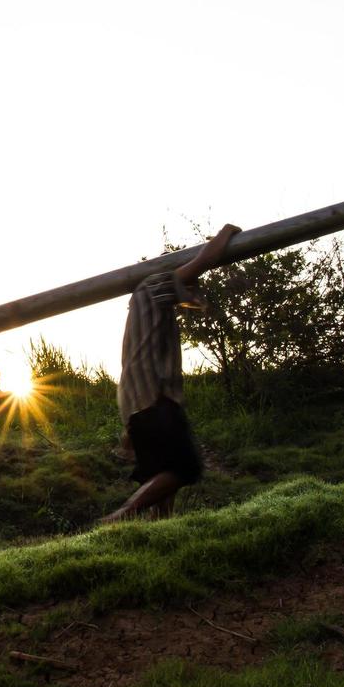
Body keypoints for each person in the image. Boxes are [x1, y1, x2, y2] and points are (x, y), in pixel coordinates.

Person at [99, 223, 242, 524]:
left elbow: (196, 301)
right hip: (154, 395)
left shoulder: (145, 299)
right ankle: (120, 517)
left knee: (161, 474)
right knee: (184, 468)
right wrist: (227, 233)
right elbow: (203, 262)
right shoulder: (155, 285)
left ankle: (160, 531)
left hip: (138, 399)